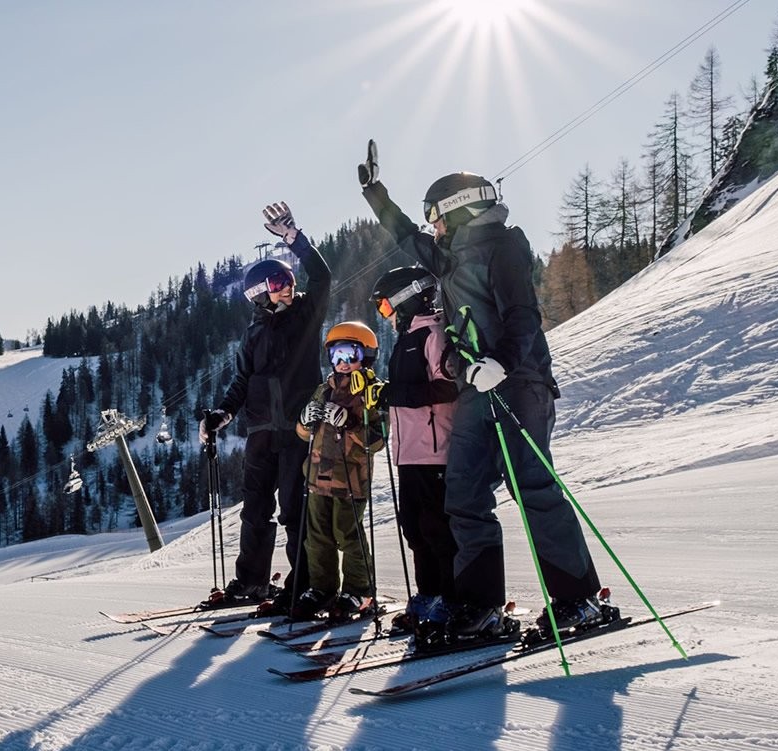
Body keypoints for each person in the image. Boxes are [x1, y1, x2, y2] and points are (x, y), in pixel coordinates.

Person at [354, 140, 606, 640]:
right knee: (463, 492)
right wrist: (374, 193)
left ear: (457, 209)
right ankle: (480, 605)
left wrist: (503, 362)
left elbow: (523, 315)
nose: (431, 226)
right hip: (475, 390)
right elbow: (404, 235)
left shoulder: (503, 247)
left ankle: (578, 599)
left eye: (435, 216)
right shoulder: (446, 259)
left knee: (532, 486)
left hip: (520, 381)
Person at [200, 201, 332, 609]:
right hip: (260, 433)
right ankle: (251, 582)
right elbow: (242, 380)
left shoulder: (306, 314)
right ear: (259, 293)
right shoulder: (253, 333)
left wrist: (294, 237)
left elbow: (323, 276)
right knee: (255, 511)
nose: (288, 287)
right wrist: (223, 414)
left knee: (294, 510)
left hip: (297, 430)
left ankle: (302, 585)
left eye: (288, 280)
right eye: (278, 283)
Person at [369, 265, 459, 633]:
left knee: (437, 529)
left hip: (435, 452)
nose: (385, 314)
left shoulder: (433, 334)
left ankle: (451, 598)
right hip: (408, 453)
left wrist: (396, 394)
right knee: (414, 528)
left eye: (385, 306)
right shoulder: (407, 338)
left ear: (406, 298)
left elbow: (448, 388)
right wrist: (385, 396)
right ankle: (428, 594)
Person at [291, 321, 386, 620]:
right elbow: (304, 434)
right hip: (317, 477)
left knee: (348, 535)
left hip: (350, 480)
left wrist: (351, 423)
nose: (343, 362)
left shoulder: (371, 392)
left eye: (350, 354)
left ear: (366, 356)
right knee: (317, 537)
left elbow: (377, 440)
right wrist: (304, 421)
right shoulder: (324, 390)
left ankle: (360, 590)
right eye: (336, 355)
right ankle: (322, 588)